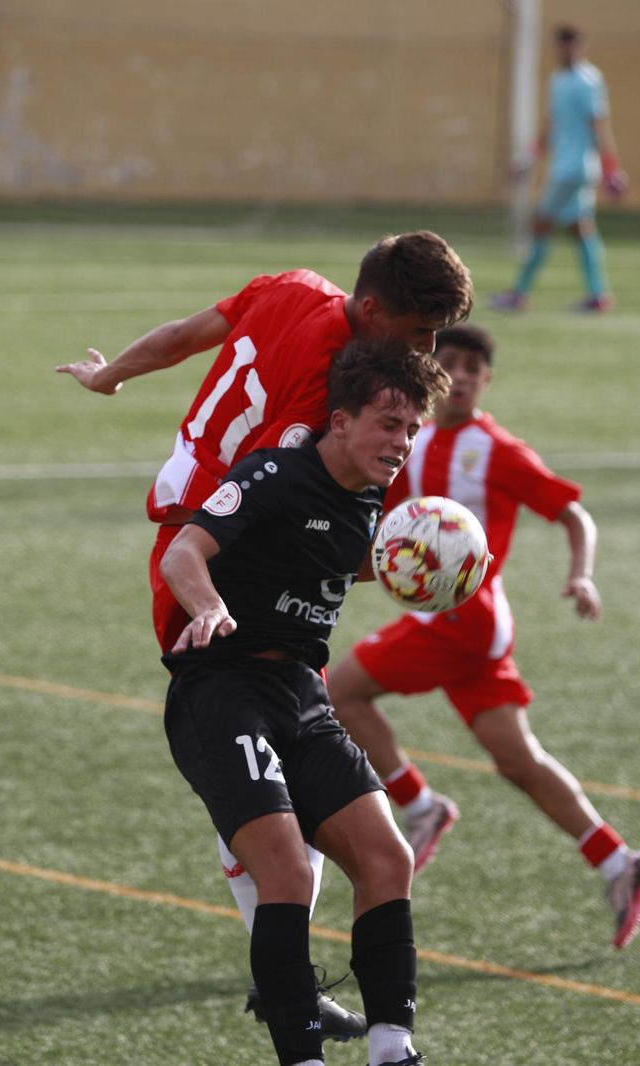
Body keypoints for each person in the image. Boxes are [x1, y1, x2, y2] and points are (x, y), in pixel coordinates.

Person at [56, 233, 474, 1040]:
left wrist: (112, 374)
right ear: (376, 309)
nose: (426, 348)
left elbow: (187, 334)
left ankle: (279, 963)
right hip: (209, 553)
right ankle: (279, 964)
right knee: (263, 756)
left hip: (198, 515)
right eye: (420, 330)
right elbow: (280, 503)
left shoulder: (293, 285)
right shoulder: (320, 399)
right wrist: (398, 558)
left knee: (287, 747)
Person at [160, 337, 450, 1066]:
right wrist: (205, 607)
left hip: (298, 693)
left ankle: (392, 1047)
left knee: (388, 857)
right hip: (222, 691)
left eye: (412, 428)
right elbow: (181, 554)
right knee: (285, 870)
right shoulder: (275, 473)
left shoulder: (372, 498)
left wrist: (418, 568)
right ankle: (303, 1058)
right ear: (342, 420)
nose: (401, 441)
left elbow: (340, 560)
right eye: (389, 423)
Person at [325, 323, 640, 949]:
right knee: (516, 760)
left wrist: (581, 575)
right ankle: (620, 862)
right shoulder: (412, 439)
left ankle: (420, 807)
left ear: (487, 381)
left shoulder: (496, 449)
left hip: (463, 621)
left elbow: (571, 513)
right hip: (459, 622)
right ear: (433, 369)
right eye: (450, 362)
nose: (463, 375)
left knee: (337, 694)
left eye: (475, 367)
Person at [494, 23, 627, 313]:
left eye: (571, 44)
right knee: (581, 230)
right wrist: (528, 158)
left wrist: (611, 169)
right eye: (561, 44)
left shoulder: (589, 80)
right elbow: (552, 127)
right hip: (565, 167)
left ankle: (519, 293)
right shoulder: (558, 80)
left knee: (540, 225)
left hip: (574, 169)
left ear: (580, 46)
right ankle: (598, 295)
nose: (565, 50)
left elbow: (598, 125)